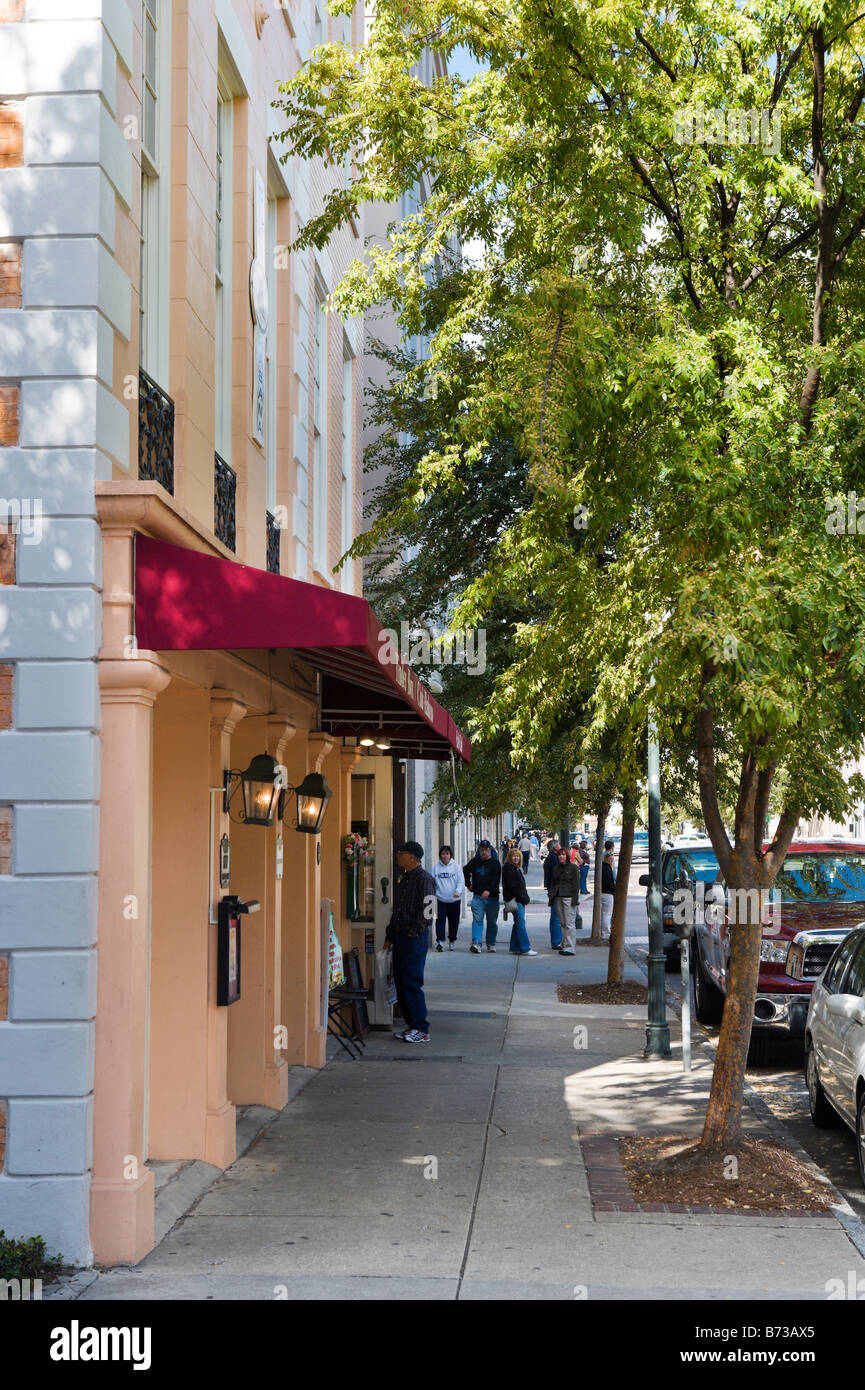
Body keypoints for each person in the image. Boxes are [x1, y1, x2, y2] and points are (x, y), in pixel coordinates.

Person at [386, 841, 437, 1043]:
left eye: (402, 852)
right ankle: (411, 1024)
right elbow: (397, 910)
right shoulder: (405, 879)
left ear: (412, 857)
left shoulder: (425, 879)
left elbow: (429, 913)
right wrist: (390, 935)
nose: (398, 856)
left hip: (413, 937)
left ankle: (420, 1028)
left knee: (411, 981)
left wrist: (414, 932)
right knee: (400, 980)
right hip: (400, 935)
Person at [463, 839, 501, 953]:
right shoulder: (474, 862)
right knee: (477, 920)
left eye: (486, 850)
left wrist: (489, 890)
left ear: (490, 850)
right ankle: (476, 943)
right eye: (482, 850)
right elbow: (465, 871)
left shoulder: (495, 863)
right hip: (478, 897)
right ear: (479, 850)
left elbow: (496, 879)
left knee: (492, 922)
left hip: (492, 898)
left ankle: (491, 943)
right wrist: (468, 884)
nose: (484, 852)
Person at [502, 847, 538, 955]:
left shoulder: (515, 868)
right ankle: (525, 948)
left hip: (519, 899)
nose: (516, 858)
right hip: (515, 899)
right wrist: (522, 896)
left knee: (517, 923)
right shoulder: (508, 868)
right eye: (513, 856)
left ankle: (515, 947)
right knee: (521, 924)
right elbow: (512, 886)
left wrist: (524, 897)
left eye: (518, 856)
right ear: (509, 857)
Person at [548, 844, 581, 954]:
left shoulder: (573, 868)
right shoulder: (555, 868)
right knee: (562, 923)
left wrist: (575, 900)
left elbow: (576, 885)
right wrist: (551, 895)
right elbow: (553, 883)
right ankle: (565, 944)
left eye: (563, 855)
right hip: (558, 897)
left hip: (569, 898)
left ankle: (570, 948)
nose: (561, 857)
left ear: (567, 856)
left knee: (569, 923)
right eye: (559, 855)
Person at [432, 844, 464, 951]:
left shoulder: (456, 867)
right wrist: (434, 893)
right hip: (440, 899)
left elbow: (461, 881)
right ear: (440, 855)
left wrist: (458, 892)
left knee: (453, 921)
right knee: (440, 920)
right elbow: (432, 882)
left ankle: (452, 940)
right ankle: (440, 941)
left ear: (450, 855)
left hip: (454, 900)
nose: (445, 856)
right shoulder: (436, 868)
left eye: (447, 854)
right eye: (443, 854)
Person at [542, 837, 564, 948]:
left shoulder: (551, 858)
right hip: (555, 891)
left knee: (556, 916)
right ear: (556, 848)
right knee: (556, 917)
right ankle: (556, 942)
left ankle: (557, 941)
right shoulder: (554, 859)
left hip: (553, 890)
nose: (561, 847)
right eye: (559, 845)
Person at [601, 839, 616, 934]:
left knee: (604, 913)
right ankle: (606, 932)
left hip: (605, 891)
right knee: (607, 913)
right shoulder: (607, 868)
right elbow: (610, 879)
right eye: (610, 859)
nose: (612, 861)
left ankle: (604, 930)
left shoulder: (603, 857)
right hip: (607, 892)